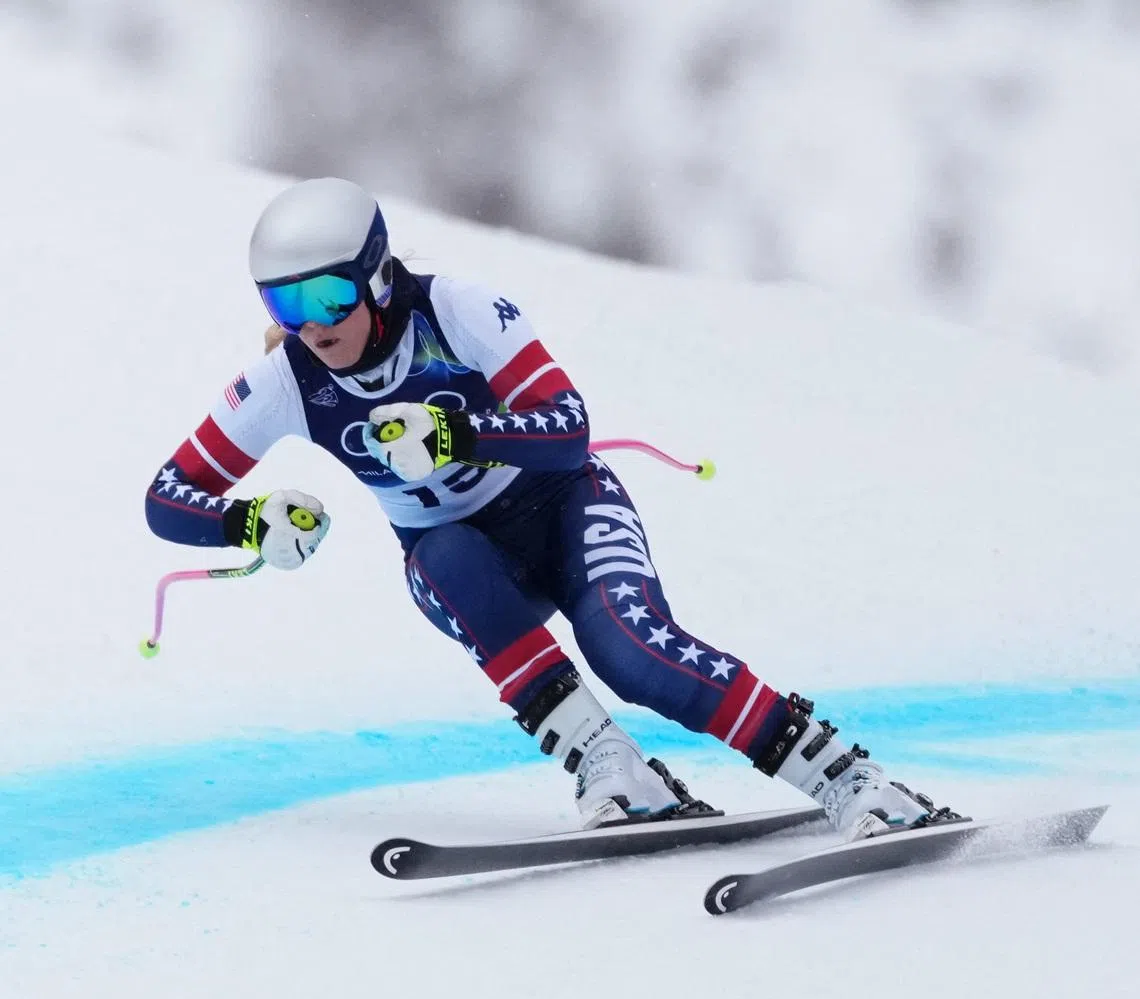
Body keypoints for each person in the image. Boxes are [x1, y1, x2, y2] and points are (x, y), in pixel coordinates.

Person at [145, 176, 958, 836]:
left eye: (327, 296)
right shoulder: (287, 380)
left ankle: (849, 780)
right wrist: (247, 522)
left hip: (564, 507)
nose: (310, 325)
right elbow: (166, 499)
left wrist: (460, 436)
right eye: (284, 305)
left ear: (377, 275)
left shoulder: (455, 309)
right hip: (471, 562)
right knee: (443, 557)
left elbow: (569, 430)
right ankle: (610, 765)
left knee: (631, 653)